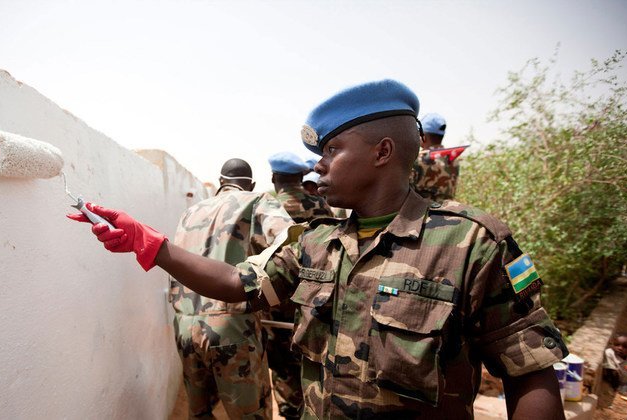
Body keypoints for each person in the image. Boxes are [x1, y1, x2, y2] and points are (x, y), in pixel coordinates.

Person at [69, 78, 568, 419]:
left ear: (382, 152)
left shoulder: (471, 242)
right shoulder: (316, 240)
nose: (317, 168)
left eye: (331, 151)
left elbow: (530, 372)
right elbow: (237, 284)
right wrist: (147, 242)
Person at [169, 158, 294, 419]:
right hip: (233, 325)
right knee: (250, 413)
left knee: (199, 412)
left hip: (184, 324)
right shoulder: (256, 200)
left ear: (220, 183)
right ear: (251, 184)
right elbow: (290, 240)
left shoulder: (190, 212)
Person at [265, 152, 336, 419]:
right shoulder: (320, 204)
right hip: (313, 296)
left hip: (274, 298)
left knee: (281, 363)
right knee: (312, 355)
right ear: (300, 177)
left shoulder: (267, 206)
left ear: (274, 178)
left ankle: (288, 408)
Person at [411, 112, 460, 201]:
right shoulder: (454, 161)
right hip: (448, 212)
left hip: (422, 213)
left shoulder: (419, 159)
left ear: (423, 136)